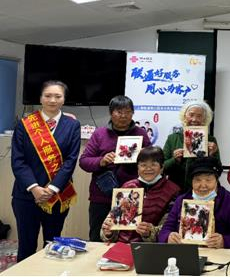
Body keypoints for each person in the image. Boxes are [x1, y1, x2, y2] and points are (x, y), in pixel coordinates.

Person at [11, 80, 81, 262]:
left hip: (57, 195)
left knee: (52, 246)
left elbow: (71, 160)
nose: (52, 100)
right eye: (48, 96)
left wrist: (52, 188)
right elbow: (18, 160)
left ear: (64, 99)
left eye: (58, 96)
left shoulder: (72, 125)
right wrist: (34, 187)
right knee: (26, 246)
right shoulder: (25, 124)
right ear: (41, 98)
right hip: (27, 196)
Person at [79, 95, 151, 242]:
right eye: (119, 112)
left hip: (131, 196)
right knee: (98, 238)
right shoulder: (100, 134)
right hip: (102, 196)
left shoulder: (141, 134)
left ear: (133, 113)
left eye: (128, 112)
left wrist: (143, 157)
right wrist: (101, 161)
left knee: (128, 238)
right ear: (111, 113)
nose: (123, 116)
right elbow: (84, 161)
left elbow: (152, 161)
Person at [158, 156, 230, 249]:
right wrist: (168, 237)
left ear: (216, 180)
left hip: (217, 254)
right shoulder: (181, 201)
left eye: (208, 180)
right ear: (192, 182)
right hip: (186, 251)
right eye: (197, 180)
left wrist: (224, 241)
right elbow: (165, 229)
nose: (203, 185)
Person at [100, 146, 180, 243]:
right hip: (121, 244)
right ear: (137, 167)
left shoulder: (172, 190)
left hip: (151, 247)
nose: (148, 169)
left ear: (162, 167)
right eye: (143, 165)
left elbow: (169, 228)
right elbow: (113, 219)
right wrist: (109, 232)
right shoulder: (127, 186)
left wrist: (150, 232)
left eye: (153, 164)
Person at [162, 101, 220, 191]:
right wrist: (174, 160)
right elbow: (162, 168)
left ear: (205, 119)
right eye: (191, 115)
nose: (194, 119)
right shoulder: (173, 138)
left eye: (199, 116)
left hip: (203, 190)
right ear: (184, 116)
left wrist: (212, 155)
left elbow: (219, 170)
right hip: (175, 191)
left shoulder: (210, 140)